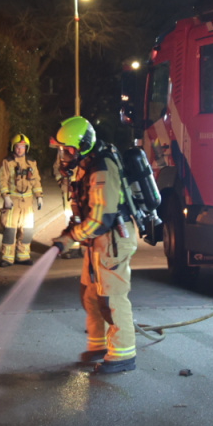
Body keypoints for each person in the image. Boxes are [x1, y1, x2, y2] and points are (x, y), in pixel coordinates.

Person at [56, 116, 138, 374]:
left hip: (113, 240)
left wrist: (70, 237)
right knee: (90, 295)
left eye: (68, 150)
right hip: (98, 241)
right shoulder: (86, 164)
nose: (65, 155)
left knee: (112, 298)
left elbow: (101, 219)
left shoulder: (102, 168)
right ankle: (99, 345)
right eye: (63, 150)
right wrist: (71, 232)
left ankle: (123, 353)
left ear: (82, 146)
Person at [0, 134, 45, 266]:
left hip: (27, 203)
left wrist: (39, 196)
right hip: (13, 201)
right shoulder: (7, 162)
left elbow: (36, 181)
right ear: (13, 147)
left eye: (23, 147)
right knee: (10, 230)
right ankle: (7, 258)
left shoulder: (31, 163)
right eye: (18, 147)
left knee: (27, 230)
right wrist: (6, 197)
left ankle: (23, 256)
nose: (20, 149)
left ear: (26, 148)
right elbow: (2, 180)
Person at [51, 139, 83, 258]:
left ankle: (80, 247)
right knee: (69, 216)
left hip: (80, 189)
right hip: (67, 190)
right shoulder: (61, 151)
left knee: (80, 216)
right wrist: (61, 181)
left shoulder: (81, 151)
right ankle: (72, 246)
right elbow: (56, 168)